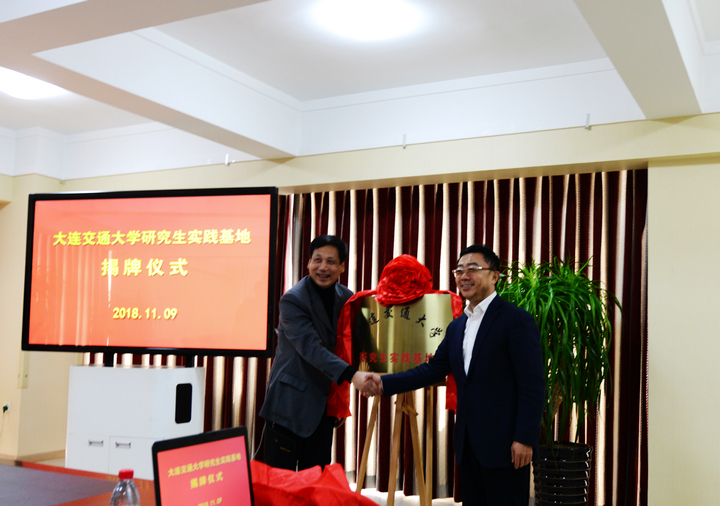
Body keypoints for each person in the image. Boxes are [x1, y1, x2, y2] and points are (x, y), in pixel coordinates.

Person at [365, 245, 545, 506]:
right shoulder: (457, 326)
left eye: (473, 269)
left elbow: (532, 386)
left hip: (506, 446)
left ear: (494, 276)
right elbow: (432, 369)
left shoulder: (516, 320)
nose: (464, 276)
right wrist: (383, 383)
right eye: (459, 270)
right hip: (468, 445)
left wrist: (525, 439)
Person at [260, 235, 376, 471]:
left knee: (315, 478)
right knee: (279, 483)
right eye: (317, 260)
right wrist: (354, 376)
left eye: (331, 262)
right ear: (309, 263)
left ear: (342, 267)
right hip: (289, 405)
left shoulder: (347, 298)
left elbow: (351, 345)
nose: (323, 267)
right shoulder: (293, 300)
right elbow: (311, 349)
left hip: (324, 405)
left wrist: (367, 376)